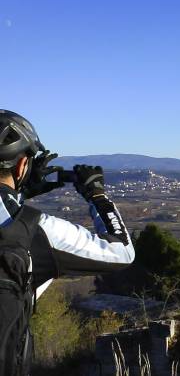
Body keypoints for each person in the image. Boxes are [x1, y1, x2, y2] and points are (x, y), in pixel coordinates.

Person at [0, 110, 135, 376]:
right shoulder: (33, 229)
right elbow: (121, 251)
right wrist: (97, 196)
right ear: (21, 166)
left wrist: (20, 192)